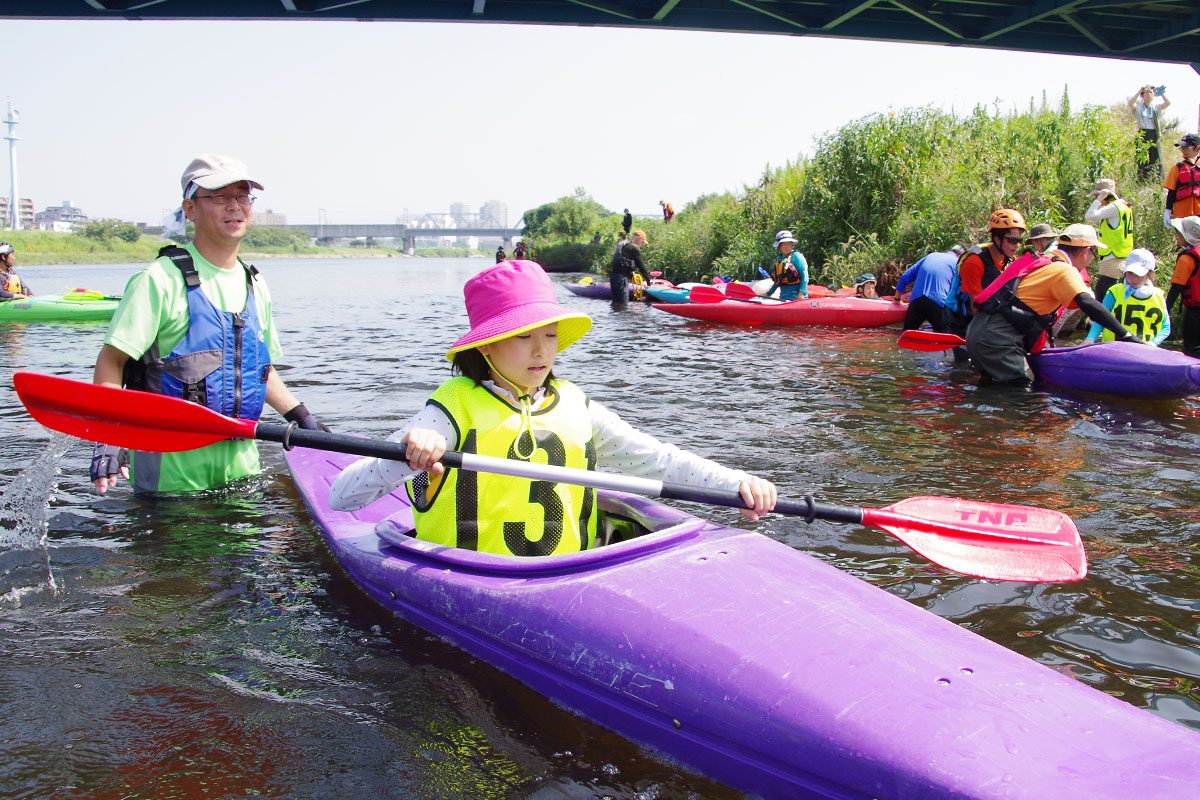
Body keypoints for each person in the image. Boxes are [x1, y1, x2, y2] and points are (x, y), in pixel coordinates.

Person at [327, 260, 777, 555]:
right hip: (468, 578)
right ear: (485, 348)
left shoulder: (578, 407)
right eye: (523, 336)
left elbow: (658, 461)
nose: (541, 351)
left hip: (565, 581)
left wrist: (737, 484)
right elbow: (343, 496)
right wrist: (409, 455)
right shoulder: (449, 411)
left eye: (549, 334)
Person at [89, 153, 328, 495]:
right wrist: (108, 436)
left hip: (242, 473)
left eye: (242, 196)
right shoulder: (158, 280)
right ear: (189, 209)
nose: (234, 206)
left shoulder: (255, 284)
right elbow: (112, 361)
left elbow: (261, 369)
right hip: (170, 481)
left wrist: (302, 418)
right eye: (219, 196)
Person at [965, 224, 1139, 384]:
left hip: (979, 333)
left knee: (993, 391)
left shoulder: (1043, 260)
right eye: (1094, 254)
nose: (1092, 259)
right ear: (1085, 251)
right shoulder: (1064, 270)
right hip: (996, 339)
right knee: (1020, 394)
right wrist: (1125, 335)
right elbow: (1088, 303)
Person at [945, 208, 1027, 338]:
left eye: (1019, 240)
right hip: (964, 320)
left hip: (991, 317)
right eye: (1012, 240)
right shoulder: (974, 262)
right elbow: (975, 306)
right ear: (997, 239)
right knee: (965, 359)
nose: (1017, 245)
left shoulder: (1011, 260)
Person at [1083, 249, 1169, 346]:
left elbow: (1166, 328)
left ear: (1149, 273)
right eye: (1130, 273)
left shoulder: (1158, 296)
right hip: (1113, 349)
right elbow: (1100, 319)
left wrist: (1153, 343)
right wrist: (1090, 338)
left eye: (1139, 274)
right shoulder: (1114, 292)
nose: (1134, 278)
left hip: (1145, 351)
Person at [1083, 178, 1134, 303]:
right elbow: (1095, 219)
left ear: (1105, 195)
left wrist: (1098, 200)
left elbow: (1089, 216)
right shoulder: (1121, 207)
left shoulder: (1114, 208)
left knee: (1103, 299)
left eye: (1098, 196)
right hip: (1119, 256)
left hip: (1113, 258)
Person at [893, 246, 960, 332]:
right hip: (938, 303)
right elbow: (958, 290)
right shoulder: (957, 262)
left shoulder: (931, 256)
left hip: (916, 302)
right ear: (959, 255)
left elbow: (905, 277)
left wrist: (897, 299)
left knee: (907, 335)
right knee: (945, 338)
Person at [1165, 215, 1200, 357]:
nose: (1177, 235)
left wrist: (1164, 311)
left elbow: (1175, 289)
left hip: (1195, 314)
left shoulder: (1187, 259)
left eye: (1179, 232)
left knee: (1192, 350)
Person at [1128, 85, 1170, 180]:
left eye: (1150, 92)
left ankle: (1157, 179)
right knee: (1142, 157)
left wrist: (1162, 93)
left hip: (1154, 133)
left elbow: (1168, 103)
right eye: (1146, 92)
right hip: (1142, 133)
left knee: (1156, 156)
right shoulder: (1139, 107)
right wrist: (1140, 90)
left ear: (1154, 95)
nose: (1148, 94)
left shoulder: (1156, 107)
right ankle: (1141, 179)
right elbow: (1131, 103)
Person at [1163, 133, 1200, 228]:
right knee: (1183, 242)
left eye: (1186, 147)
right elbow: (1171, 192)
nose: (1183, 150)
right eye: (1181, 148)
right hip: (1181, 216)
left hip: (1198, 215)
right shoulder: (1177, 168)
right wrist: (1167, 211)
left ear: (1196, 148)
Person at [764, 230, 809, 301]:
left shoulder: (796, 256)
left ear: (792, 245)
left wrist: (801, 293)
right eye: (784, 244)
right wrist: (768, 293)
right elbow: (778, 281)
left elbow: (805, 275)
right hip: (784, 297)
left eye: (789, 243)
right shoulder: (779, 259)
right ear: (779, 246)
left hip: (797, 298)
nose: (786, 247)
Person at [609, 229, 651, 302]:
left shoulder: (624, 243)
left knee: (616, 301)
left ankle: (615, 313)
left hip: (614, 276)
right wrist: (648, 281)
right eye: (642, 242)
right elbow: (641, 265)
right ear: (638, 239)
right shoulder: (634, 247)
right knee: (623, 302)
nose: (642, 244)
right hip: (621, 278)